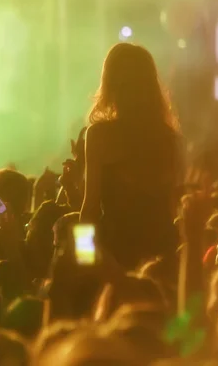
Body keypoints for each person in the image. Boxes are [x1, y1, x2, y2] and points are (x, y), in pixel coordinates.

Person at [80, 42, 182, 270]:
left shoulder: (99, 135)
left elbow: (90, 208)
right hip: (161, 253)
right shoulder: (167, 137)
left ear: (110, 83)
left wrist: (83, 259)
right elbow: (171, 205)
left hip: (117, 254)